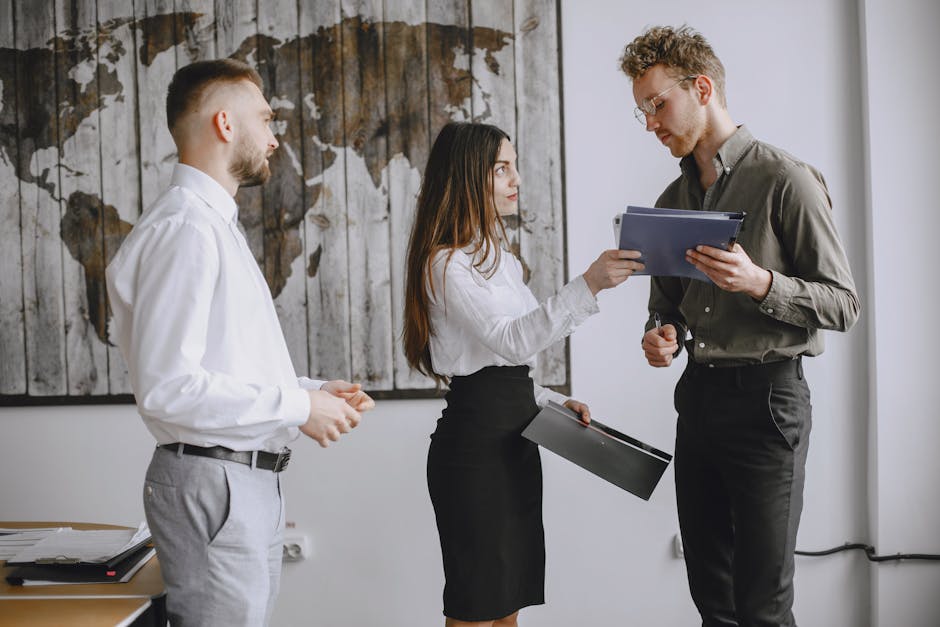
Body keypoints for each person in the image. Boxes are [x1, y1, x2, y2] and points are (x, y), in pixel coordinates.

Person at [105, 58, 375, 627]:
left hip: (238, 481)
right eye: (265, 119)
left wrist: (311, 392)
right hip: (216, 483)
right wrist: (299, 406)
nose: (274, 138)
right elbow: (169, 388)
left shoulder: (209, 225)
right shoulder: (186, 229)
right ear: (225, 123)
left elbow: (221, 365)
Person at [619, 26, 860, 626]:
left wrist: (760, 282)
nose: (650, 123)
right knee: (713, 599)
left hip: (768, 405)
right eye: (642, 111)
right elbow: (667, 307)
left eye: (657, 104)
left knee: (763, 605)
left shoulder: (786, 180)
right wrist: (661, 335)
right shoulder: (670, 200)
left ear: (701, 89)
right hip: (698, 402)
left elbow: (843, 305)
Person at [403, 121, 644, 627]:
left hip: (515, 444)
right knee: (476, 603)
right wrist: (590, 283)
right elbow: (511, 340)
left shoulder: (501, 261)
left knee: (509, 599)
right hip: (474, 452)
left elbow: (510, 363)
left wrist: (551, 402)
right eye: (502, 169)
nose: (516, 179)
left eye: (514, 167)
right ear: (468, 176)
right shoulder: (446, 264)